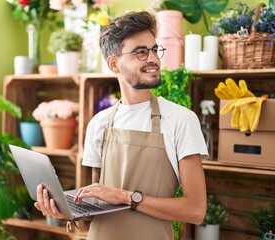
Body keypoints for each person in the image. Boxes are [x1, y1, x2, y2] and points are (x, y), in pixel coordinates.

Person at [35, 11, 208, 240]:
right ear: (114, 63)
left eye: (155, 50)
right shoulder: (99, 123)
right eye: (140, 52)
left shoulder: (181, 120)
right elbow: (98, 202)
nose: (153, 59)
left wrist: (128, 197)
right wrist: (67, 211)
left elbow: (196, 210)